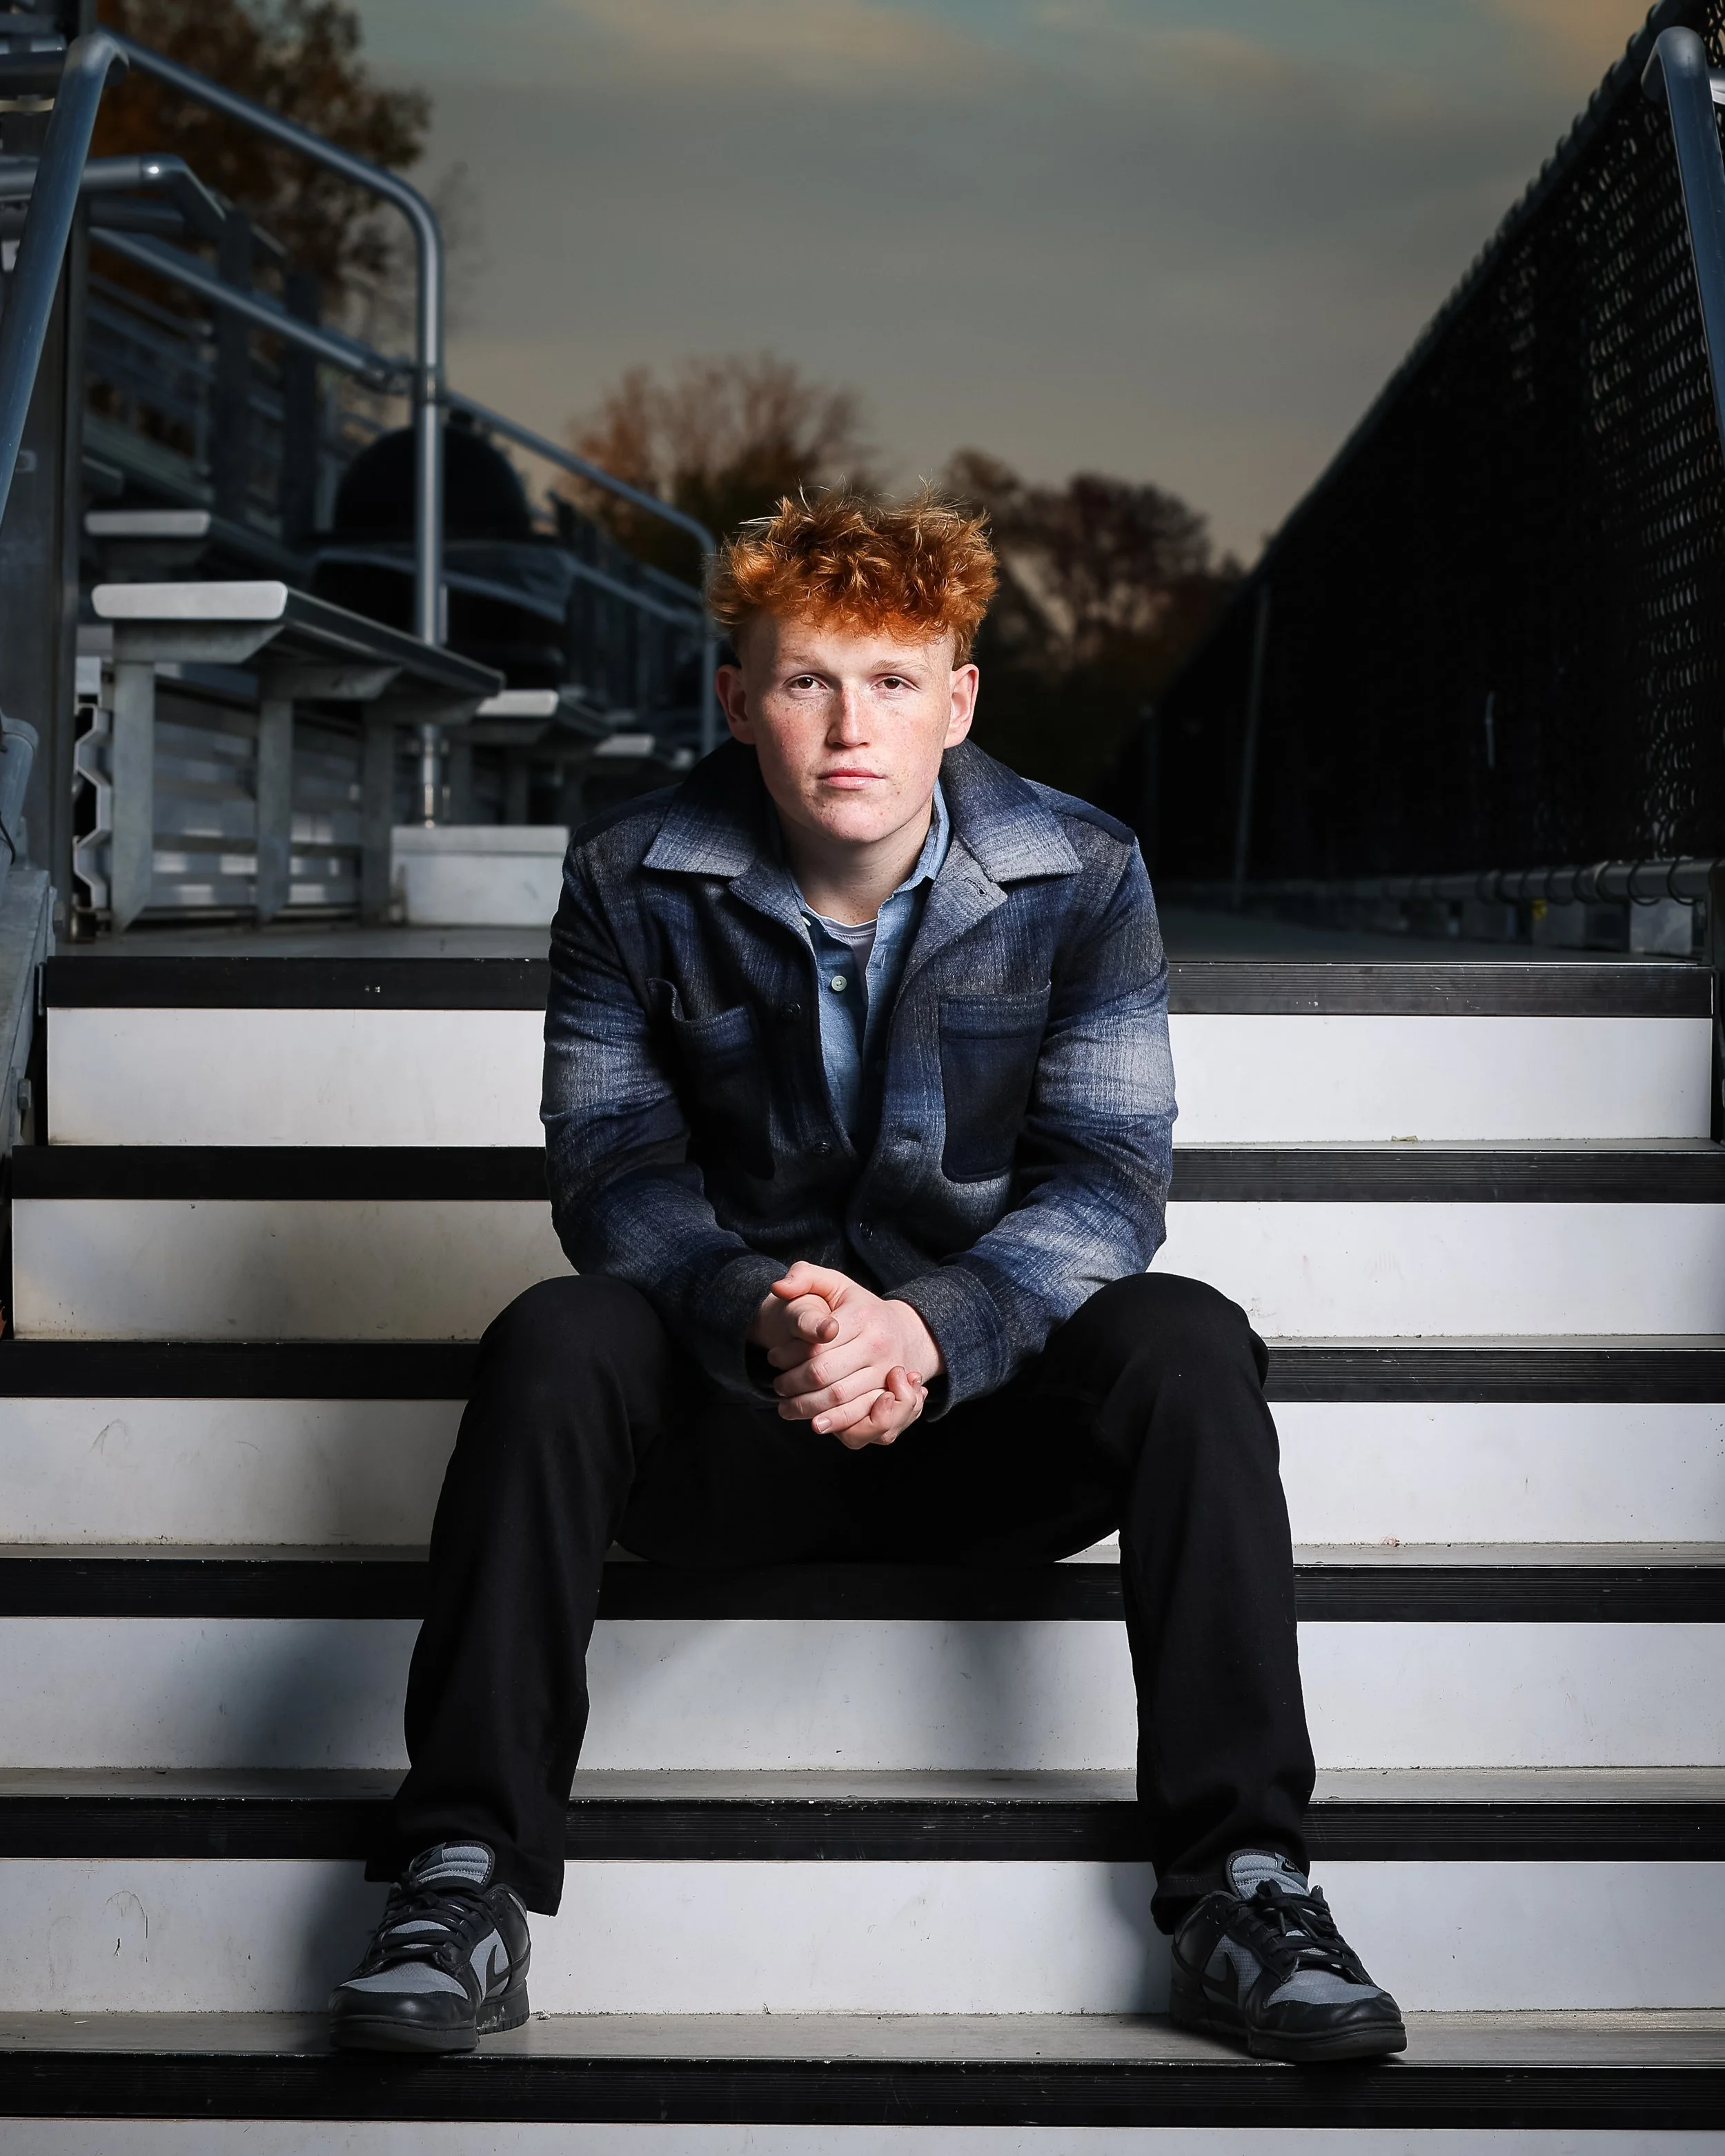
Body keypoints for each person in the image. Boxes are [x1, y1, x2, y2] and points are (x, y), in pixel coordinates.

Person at [329, 488, 1405, 2066]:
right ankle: (462, 1874)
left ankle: (1244, 1883)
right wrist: (766, 1303)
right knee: (554, 1336)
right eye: (806, 678)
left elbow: (1108, 1178)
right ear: (736, 699)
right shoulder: (632, 876)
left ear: (958, 701)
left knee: (1186, 1343)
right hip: (729, 1427)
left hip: (985, 1437)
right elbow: (610, 1175)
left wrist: (928, 1327)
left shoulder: (1080, 871)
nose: (851, 724)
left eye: (894, 680)